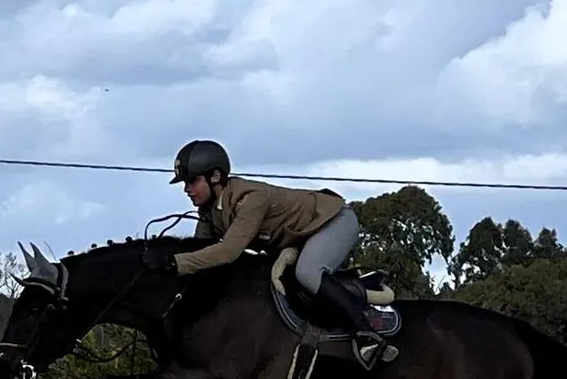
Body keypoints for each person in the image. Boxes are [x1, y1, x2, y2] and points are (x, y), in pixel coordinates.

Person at [148, 139, 390, 362]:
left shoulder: (250, 199)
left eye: (192, 181)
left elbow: (227, 252)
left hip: (333, 221)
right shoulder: (210, 212)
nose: (187, 190)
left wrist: (174, 263)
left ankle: (367, 332)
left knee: (307, 273)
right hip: (300, 238)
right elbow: (202, 254)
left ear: (215, 176)